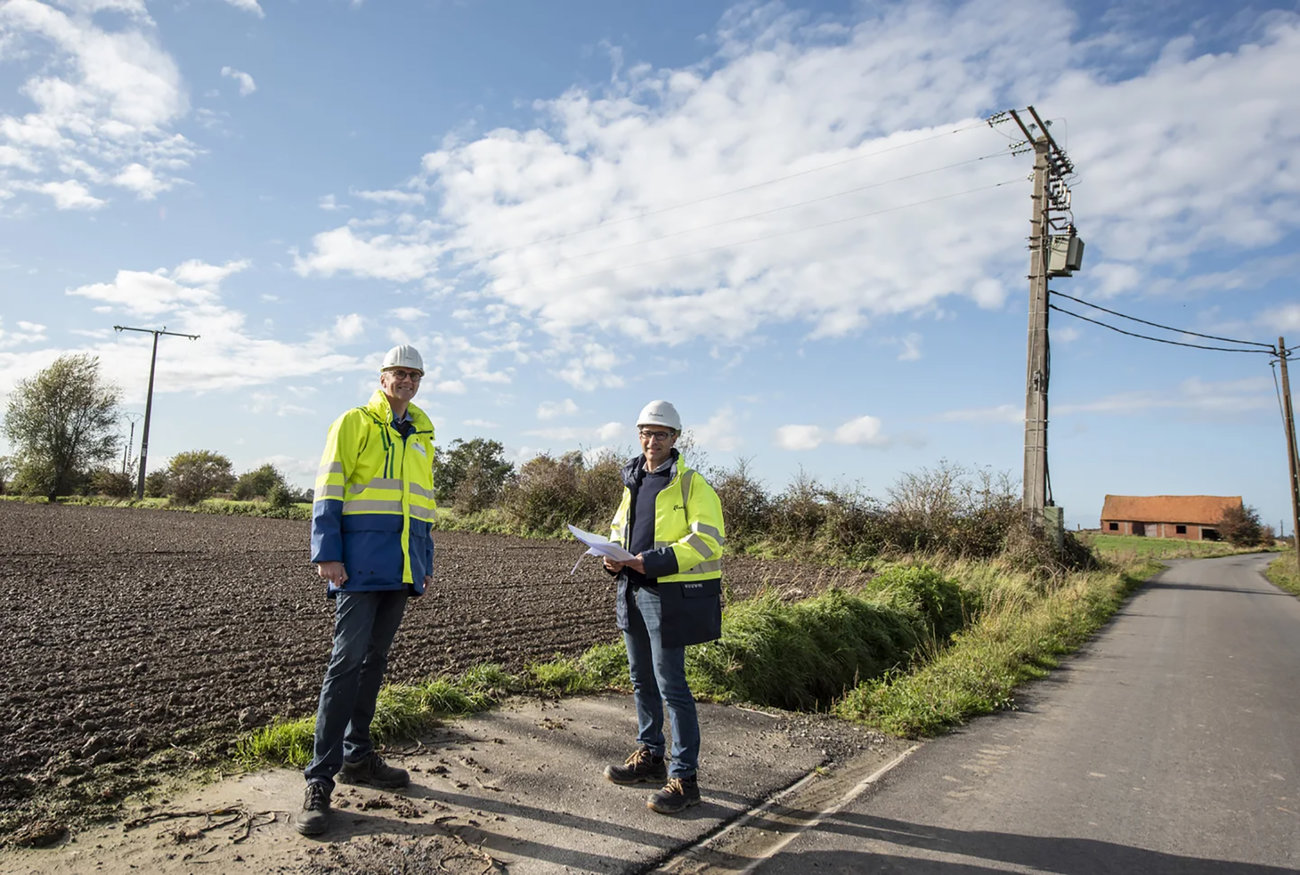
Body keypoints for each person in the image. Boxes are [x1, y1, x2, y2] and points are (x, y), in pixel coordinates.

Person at [296, 344, 437, 837]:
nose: (407, 381)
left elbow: (423, 501)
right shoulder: (354, 422)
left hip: (401, 565)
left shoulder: (423, 430)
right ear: (382, 378)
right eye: (399, 373)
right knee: (346, 662)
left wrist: (424, 560)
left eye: (414, 375)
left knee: (375, 661)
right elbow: (328, 489)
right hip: (356, 565)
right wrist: (327, 553)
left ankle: (358, 756)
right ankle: (319, 780)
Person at [601, 400, 726, 815]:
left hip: (666, 595)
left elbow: (707, 540)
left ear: (675, 439)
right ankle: (651, 757)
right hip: (631, 590)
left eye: (659, 434)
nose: (650, 441)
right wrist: (612, 555)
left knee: (672, 685)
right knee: (641, 680)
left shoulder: (693, 485)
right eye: (645, 433)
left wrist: (649, 562)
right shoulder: (632, 480)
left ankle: (684, 778)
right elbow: (620, 529)